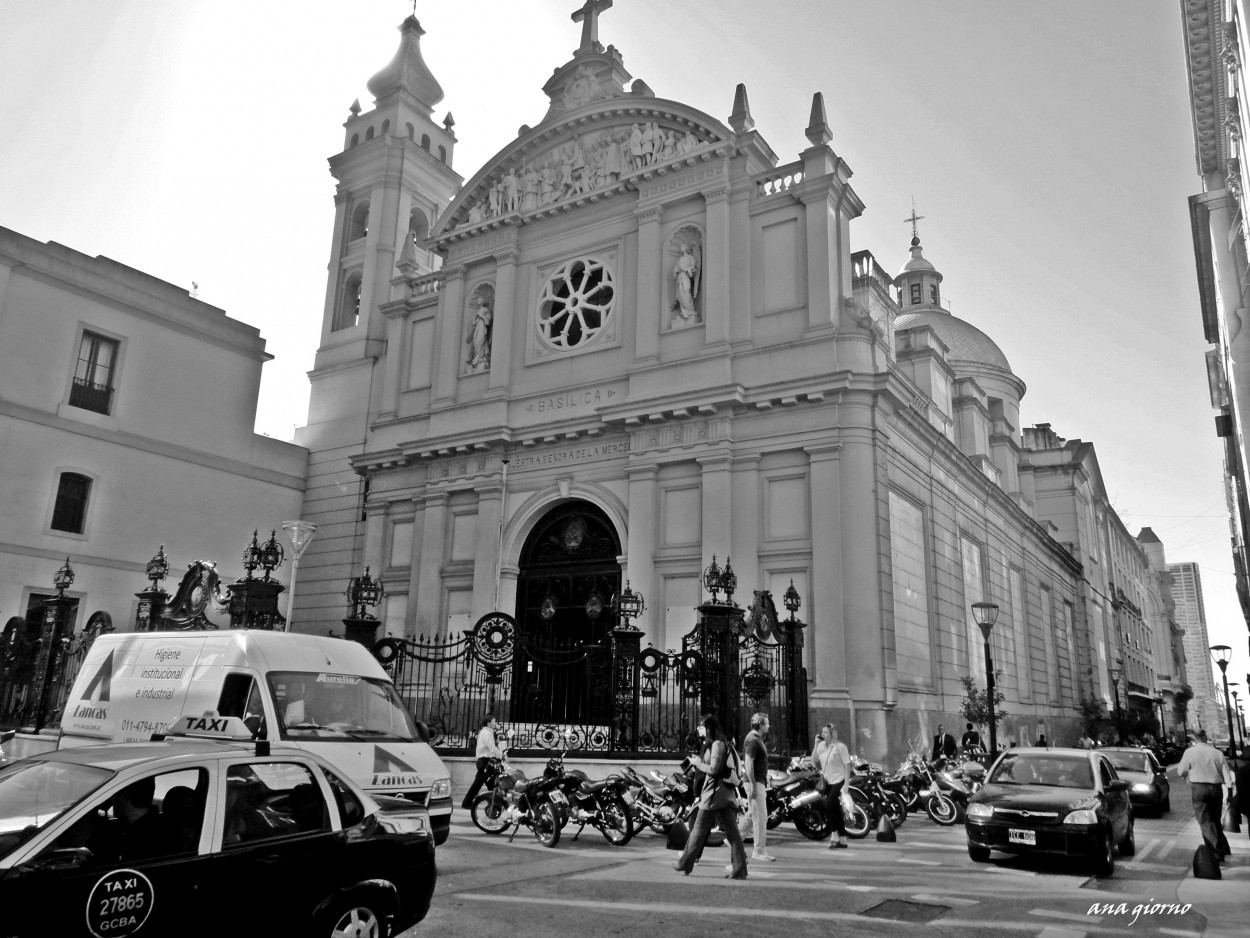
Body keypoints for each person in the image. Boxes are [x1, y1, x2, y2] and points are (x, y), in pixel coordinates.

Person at [673, 714, 748, 879]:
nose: (698, 729)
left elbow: (714, 770)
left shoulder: (717, 744)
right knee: (733, 834)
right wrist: (700, 760)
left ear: (708, 728)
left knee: (698, 830)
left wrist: (696, 763)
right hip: (723, 795)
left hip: (714, 794)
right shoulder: (715, 744)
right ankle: (740, 870)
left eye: (700, 726)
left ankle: (684, 863)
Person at [1177, 729, 1234, 861]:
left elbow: (1181, 771)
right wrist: (1229, 791)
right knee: (1215, 818)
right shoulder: (1217, 753)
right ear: (1205, 737)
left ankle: (1215, 851)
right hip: (1215, 788)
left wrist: (1187, 778)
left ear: (1194, 739)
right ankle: (1222, 847)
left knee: (1205, 821)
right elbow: (1226, 773)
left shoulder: (1190, 752)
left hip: (1198, 788)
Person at [738, 712, 774, 862]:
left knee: (753, 813)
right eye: (766, 723)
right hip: (754, 782)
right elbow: (748, 763)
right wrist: (753, 784)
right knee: (760, 817)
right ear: (760, 725)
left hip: (757, 781)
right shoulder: (753, 740)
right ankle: (759, 850)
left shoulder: (756, 739)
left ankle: (735, 839)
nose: (769, 726)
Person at [814, 723, 853, 849]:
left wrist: (846, 783)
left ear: (831, 734)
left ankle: (834, 834)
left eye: (825, 732)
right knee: (835, 809)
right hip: (827, 780)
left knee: (829, 804)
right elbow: (814, 760)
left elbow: (847, 765)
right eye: (822, 732)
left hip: (839, 779)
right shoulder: (821, 746)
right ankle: (843, 839)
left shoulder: (840, 747)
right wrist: (816, 743)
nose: (823, 734)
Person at [461, 714, 504, 809]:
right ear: (488, 723)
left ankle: (495, 802)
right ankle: (467, 803)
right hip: (486, 762)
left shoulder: (485, 732)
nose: (495, 723)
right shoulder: (487, 733)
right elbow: (492, 749)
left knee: (491, 784)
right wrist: (501, 754)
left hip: (486, 762)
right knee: (481, 784)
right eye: (493, 722)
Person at [672, 243, 699, 323]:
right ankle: (684, 311)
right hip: (680, 276)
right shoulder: (680, 259)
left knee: (686, 290)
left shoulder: (690, 257)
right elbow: (676, 268)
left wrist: (686, 269)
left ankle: (690, 310)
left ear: (686, 248)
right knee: (680, 291)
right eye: (681, 247)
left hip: (686, 276)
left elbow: (693, 266)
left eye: (683, 247)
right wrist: (676, 270)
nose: (681, 248)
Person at [466, 295, 493, 368]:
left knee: (481, 341)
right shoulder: (479, 310)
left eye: (480, 299)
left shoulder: (485, 309)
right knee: (475, 341)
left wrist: (482, 317)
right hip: (477, 327)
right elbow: (474, 322)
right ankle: (476, 359)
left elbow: (489, 319)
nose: (478, 300)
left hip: (482, 326)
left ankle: (481, 359)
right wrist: (475, 319)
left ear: (483, 301)